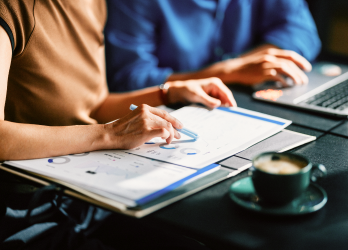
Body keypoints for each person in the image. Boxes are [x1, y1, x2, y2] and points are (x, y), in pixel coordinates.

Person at [0, 1, 235, 249]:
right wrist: (109, 134)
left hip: (85, 195)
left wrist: (169, 93)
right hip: (26, 209)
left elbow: (93, 105)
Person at [105, 0, 322, 92]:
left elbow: (302, 33)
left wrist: (240, 66)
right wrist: (226, 73)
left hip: (251, 96)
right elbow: (128, 79)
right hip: (175, 112)